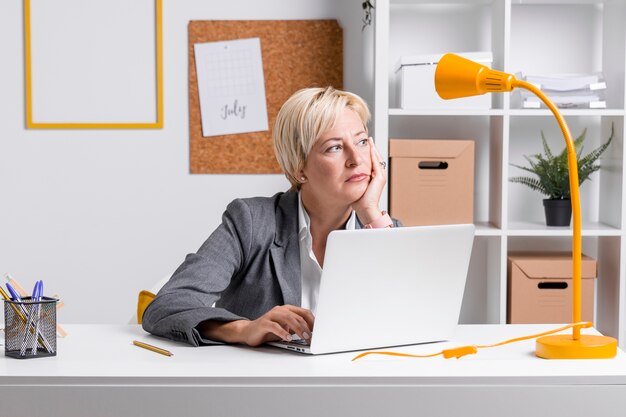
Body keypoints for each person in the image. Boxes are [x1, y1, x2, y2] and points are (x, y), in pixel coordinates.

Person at [142, 87, 401, 347]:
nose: (356, 159)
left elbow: (414, 310)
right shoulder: (251, 222)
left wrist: (370, 212)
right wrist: (244, 329)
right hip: (261, 382)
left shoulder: (384, 230)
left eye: (362, 141)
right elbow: (166, 306)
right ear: (299, 167)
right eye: (334, 147)